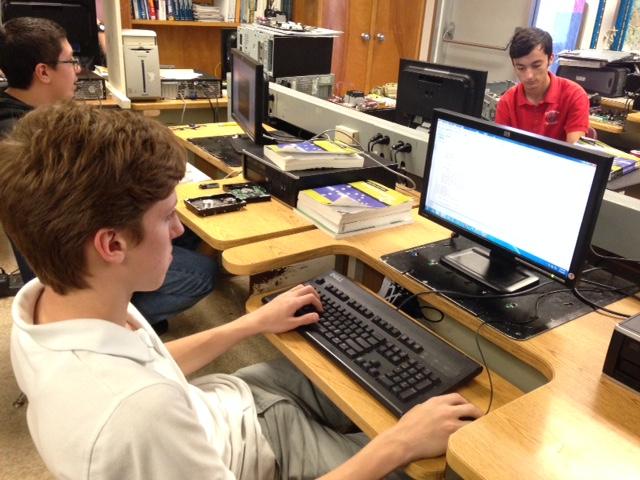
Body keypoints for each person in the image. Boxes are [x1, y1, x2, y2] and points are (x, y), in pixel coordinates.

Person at [1, 101, 483, 479]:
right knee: (443, 461)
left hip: (227, 400)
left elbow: (154, 362)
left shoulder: (50, 301)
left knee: (377, 378)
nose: (176, 231)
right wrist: (398, 445)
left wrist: (251, 323)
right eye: (168, 216)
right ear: (110, 244)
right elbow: (144, 400)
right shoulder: (135, 416)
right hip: (253, 450)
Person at [0, 17, 215, 332]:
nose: (76, 70)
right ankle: (108, 318)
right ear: (43, 72)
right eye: (70, 61)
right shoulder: (32, 140)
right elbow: (98, 205)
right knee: (202, 273)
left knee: (190, 229)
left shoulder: (31, 122)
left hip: (71, 255)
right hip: (77, 270)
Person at [495, 27, 590, 144]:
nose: (529, 75)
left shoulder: (574, 95)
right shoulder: (507, 100)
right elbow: (501, 146)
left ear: (550, 59)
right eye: (521, 68)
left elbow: (576, 153)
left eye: (536, 66)